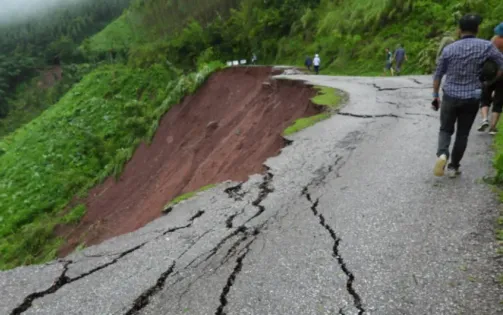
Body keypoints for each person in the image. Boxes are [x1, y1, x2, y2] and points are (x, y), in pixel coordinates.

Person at [433, 14, 503, 178]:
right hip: (472, 97)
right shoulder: (486, 46)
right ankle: (453, 167)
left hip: (450, 95)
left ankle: (443, 154)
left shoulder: (449, 48)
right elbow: (501, 65)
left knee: (445, 129)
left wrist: (435, 95)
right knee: (462, 134)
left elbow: (438, 75)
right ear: (477, 29)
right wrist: (490, 81)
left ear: (459, 30)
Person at [477, 22, 503, 135]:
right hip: (502, 75)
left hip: (490, 72)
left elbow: (485, 55)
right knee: (498, 101)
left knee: (485, 97)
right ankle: (493, 128)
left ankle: (484, 120)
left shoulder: (494, 40)